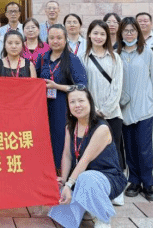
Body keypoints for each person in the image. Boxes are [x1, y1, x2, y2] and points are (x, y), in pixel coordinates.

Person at [49, 87, 127, 229]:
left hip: (106, 177)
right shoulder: (70, 127)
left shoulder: (101, 128)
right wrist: (64, 181)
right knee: (61, 213)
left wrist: (69, 185)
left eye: (81, 101)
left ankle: (103, 218)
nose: (77, 105)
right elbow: (67, 155)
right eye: (72, 102)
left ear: (90, 102)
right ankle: (87, 204)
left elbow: (85, 159)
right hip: (80, 178)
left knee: (86, 179)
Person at [82, 19, 125, 205]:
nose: (98, 37)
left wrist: (104, 110)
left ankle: (118, 190)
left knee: (114, 151)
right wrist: (91, 110)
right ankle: (96, 188)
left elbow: (117, 87)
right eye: (95, 33)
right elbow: (82, 86)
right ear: (89, 35)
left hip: (112, 114)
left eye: (102, 34)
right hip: (90, 114)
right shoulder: (83, 58)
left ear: (107, 36)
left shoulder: (115, 58)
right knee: (93, 152)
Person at [37, 24, 87, 176]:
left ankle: (64, 176)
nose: (55, 41)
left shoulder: (72, 59)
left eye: (59, 38)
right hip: (45, 108)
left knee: (62, 141)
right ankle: (49, 174)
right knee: (47, 141)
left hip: (64, 108)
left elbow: (82, 86)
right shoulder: (42, 58)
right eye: (52, 38)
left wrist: (57, 86)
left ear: (65, 40)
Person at [118, 16, 153, 202]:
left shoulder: (147, 53)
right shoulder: (117, 53)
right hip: (124, 109)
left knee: (144, 148)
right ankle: (134, 181)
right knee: (129, 147)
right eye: (126, 30)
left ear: (138, 32)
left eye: (132, 30)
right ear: (121, 33)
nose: (129, 34)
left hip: (144, 109)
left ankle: (148, 183)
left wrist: (146, 96)